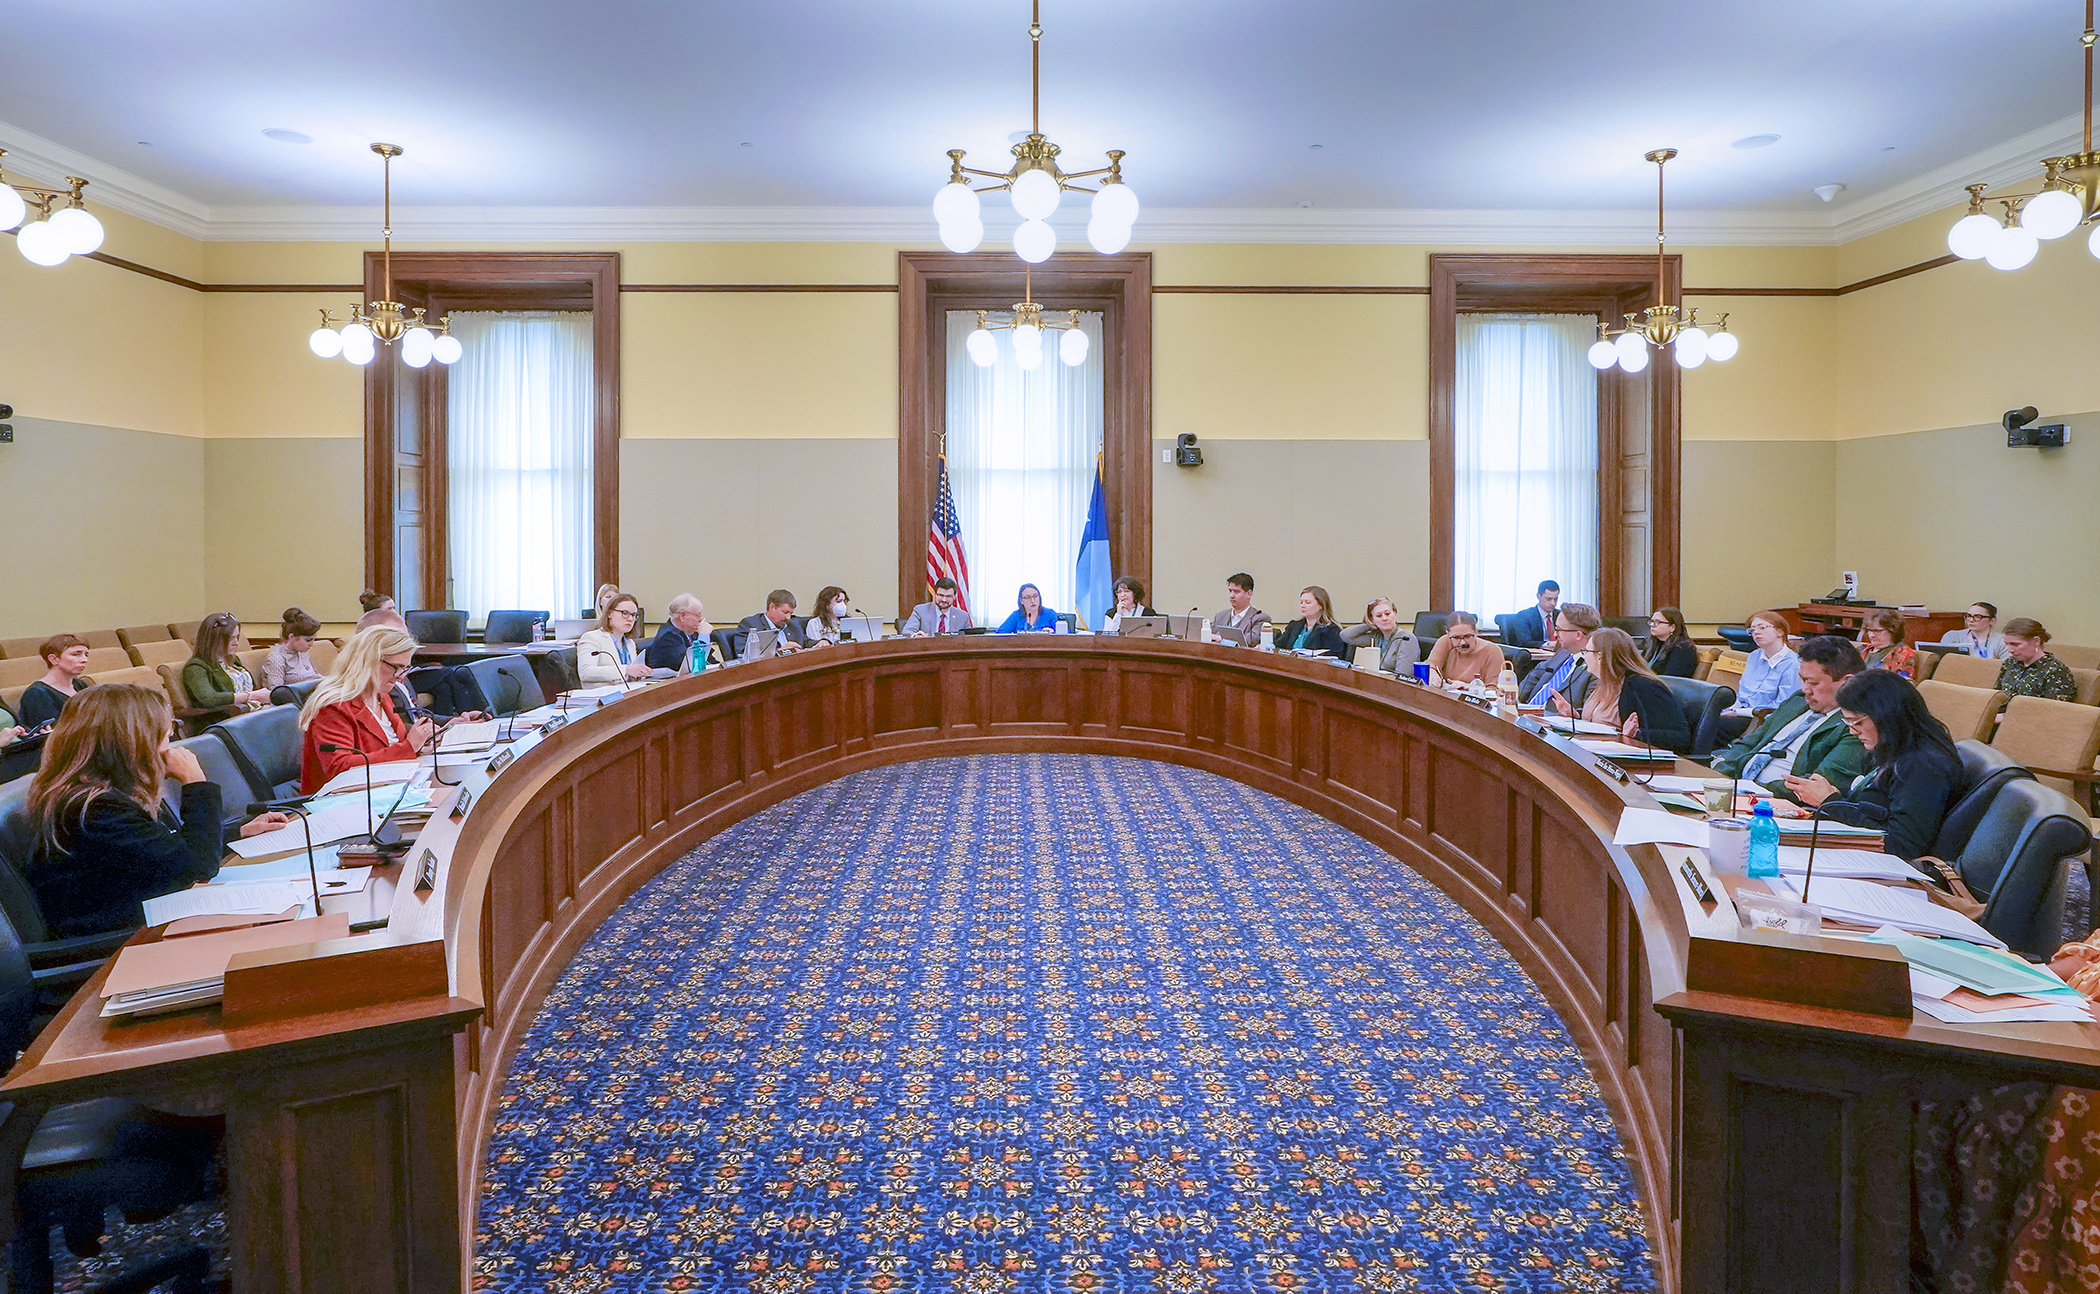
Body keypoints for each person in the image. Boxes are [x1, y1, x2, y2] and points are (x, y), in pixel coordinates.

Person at [26, 684, 290, 937]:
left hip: (146, 917)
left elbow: (164, 849)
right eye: (165, 732)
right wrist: (195, 781)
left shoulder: (95, 792)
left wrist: (237, 830)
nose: (171, 741)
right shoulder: (94, 807)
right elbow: (197, 866)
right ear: (134, 742)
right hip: (123, 941)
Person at [1786, 669, 1961, 862]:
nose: (1852, 732)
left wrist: (1830, 802)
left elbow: (1902, 845)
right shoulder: (1895, 749)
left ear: (1885, 716)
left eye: (1857, 722)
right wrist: (1834, 798)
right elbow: (1875, 811)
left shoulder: (1922, 766)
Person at [1707, 636, 1868, 804]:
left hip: (1776, 803)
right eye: (1803, 680)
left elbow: (1817, 784)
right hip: (1737, 791)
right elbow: (1749, 744)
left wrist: (1752, 792)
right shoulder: (1798, 701)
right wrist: (1718, 777)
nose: (1805, 689)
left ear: (1847, 682)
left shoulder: (1857, 726)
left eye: (1813, 683)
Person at [298, 626, 437, 794]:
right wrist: (409, 747)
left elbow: (391, 745)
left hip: (384, 791)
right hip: (343, 802)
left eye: (405, 668)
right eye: (396, 667)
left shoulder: (380, 695)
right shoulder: (333, 705)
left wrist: (420, 744)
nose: (401, 676)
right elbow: (340, 769)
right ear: (368, 660)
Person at [1547, 628, 1689, 749]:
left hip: (1630, 766)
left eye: (1586, 651)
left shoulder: (1642, 687)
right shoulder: (1604, 682)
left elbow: (1682, 737)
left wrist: (1638, 734)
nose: (1584, 657)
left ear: (1600, 656)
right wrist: (1575, 716)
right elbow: (1602, 723)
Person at [183, 611, 271, 712]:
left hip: (250, 712)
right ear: (213, 639)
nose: (236, 643)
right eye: (230, 638)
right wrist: (252, 695)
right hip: (226, 719)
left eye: (237, 637)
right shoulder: (196, 667)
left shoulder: (232, 660)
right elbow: (208, 698)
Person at [1518, 603, 1601, 705]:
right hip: (1527, 713)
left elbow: (1586, 712)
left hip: (1553, 719)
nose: (1555, 635)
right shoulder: (1563, 652)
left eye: (1559, 629)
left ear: (1578, 635)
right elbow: (1536, 674)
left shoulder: (1595, 667)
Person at [1726, 611, 1801, 715]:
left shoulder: (1793, 664)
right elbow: (1743, 696)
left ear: (1780, 632)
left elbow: (1782, 706)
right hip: (1740, 711)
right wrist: (1730, 709)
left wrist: (1738, 713)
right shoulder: (1754, 656)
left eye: (1762, 628)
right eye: (1752, 630)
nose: (1756, 632)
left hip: (1763, 719)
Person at [18, 634, 96, 729]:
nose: (84, 660)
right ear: (54, 659)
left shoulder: (80, 684)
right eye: (76, 654)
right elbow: (48, 736)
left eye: (86, 655)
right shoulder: (37, 694)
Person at [1996, 617, 2078, 702]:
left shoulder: (2055, 670)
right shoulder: (2010, 663)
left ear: (2036, 641)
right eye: (2007, 644)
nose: (2010, 650)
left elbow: (2053, 710)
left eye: (2015, 644)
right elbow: (1996, 697)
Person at [579, 593, 658, 681]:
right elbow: (585, 672)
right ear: (610, 614)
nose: (630, 619)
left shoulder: (630, 643)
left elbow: (630, 675)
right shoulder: (592, 638)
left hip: (630, 691)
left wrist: (641, 672)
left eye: (634, 615)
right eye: (625, 613)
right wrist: (626, 670)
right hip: (604, 692)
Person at [1340, 598, 1422, 673]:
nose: (1384, 618)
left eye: (1387, 614)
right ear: (1372, 619)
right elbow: (1346, 636)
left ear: (1395, 614)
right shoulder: (1377, 636)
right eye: (1379, 616)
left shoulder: (1406, 639)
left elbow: (1403, 675)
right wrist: (1370, 624)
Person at [1423, 612, 1499, 686]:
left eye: (1468, 636)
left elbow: (1495, 691)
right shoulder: (1446, 641)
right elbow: (1431, 663)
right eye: (1456, 637)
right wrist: (1432, 672)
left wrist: (1469, 687)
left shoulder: (1492, 651)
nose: (1463, 643)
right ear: (1448, 634)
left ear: (1476, 632)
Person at [644, 593, 715, 671]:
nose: (701, 620)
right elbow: (693, 665)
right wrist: (703, 636)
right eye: (698, 615)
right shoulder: (667, 637)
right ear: (682, 616)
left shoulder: (690, 633)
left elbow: (710, 662)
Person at [1272, 586, 1347, 657]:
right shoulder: (1294, 626)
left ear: (1321, 605)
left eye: (1307, 602)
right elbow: (1278, 647)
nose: (1302, 606)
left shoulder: (1331, 630)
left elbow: (1334, 656)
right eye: (1301, 602)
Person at [264, 607, 326, 690]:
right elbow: (277, 693)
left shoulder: (303, 653)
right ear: (292, 637)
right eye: (308, 640)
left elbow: (315, 677)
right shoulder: (276, 659)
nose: (312, 644)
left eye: (314, 639)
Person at [737, 590, 812, 655]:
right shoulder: (751, 624)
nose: (788, 617)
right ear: (772, 607)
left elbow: (806, 641)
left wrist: (819, 643)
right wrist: (780, 652)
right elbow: (743, 654)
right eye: (785, 612)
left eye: (790, 613)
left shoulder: (792, 625)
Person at [1858, 608, 1917, 679]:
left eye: (1877, 631)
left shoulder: (1902, 652)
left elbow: (1902, 683)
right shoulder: (1862, 648)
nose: (1871, 635)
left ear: (1892, 630)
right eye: (1869, 630)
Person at [1212, 573, 1270, 641]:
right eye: (1230, 591)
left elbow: (1250, 641)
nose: (1231, 595)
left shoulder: (1259, 618)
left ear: (1249, 594)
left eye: (1236, 592)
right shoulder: (1220, 616)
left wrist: (1221, 639)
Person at [1644, 607, 1699, 678]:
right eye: (1652, 621)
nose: (1652, 625)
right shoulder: (1653, 644)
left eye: (1658, 622)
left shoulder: (1683, 649)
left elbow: (1672, 679)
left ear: (1672, 627)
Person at [1506, 580, 1562, 650]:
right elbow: (1524, 642)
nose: (1553, 603)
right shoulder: (1524, 616)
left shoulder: (1561, 616)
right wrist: (1547, 644)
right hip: (1536, 658)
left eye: (1555, 599)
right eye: (1549, 599)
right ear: (1539, 596)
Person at [1938, 602, 2006, 659]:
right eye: (1969, 616)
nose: (1971, 620)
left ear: (1992, 621)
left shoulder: (2002, 641)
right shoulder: (1952, 636)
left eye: (1977, 617)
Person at [901, 578, 968, 636]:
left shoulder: (962, 616)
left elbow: (969, 637)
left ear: (954, 597)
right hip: (927, 649)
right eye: (941, 595)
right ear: (935, 594)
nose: (944, 600)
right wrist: (916, 636)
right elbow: (907, 632)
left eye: (948, 596)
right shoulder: (920, 611)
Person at [995, 584, 1062, 634]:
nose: (1032, 600)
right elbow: (999, 634)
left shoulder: (1049, 614)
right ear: (1021, 601)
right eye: (1028, 597)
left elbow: (1066, 635)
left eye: (1035, 596)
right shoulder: (1016, 615)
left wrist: (1053, 633)